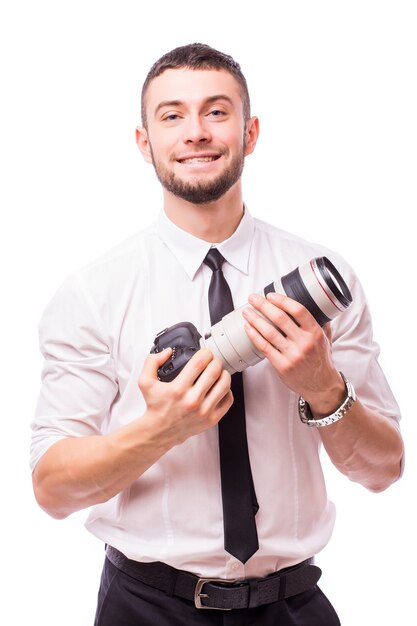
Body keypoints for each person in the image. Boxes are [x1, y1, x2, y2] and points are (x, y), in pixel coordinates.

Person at [31, 43, 404, 625]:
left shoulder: (324, 281)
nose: (196, 132)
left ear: (250, 132)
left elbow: (383, 469)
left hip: (293, 607)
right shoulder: (92, 293)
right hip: (144, 606)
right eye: (172, 115)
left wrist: (323, 386)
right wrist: (161, 429)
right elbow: (53, 490)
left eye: (217, 111)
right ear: (144, 142)